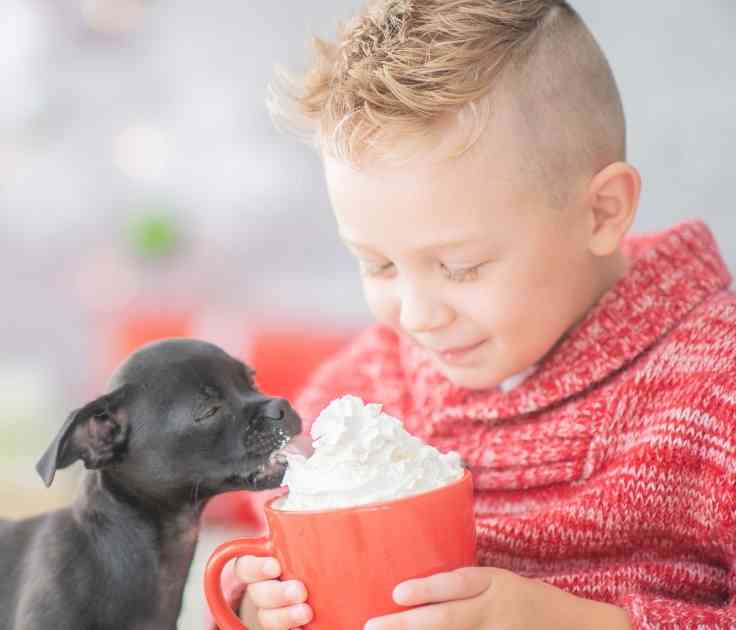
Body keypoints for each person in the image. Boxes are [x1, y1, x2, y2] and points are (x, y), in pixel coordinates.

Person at [219, 1, 736, 628]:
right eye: (378, 265)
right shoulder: (369, 388)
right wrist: (258, 603)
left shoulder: (715, 383)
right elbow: (270, 516)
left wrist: (586, 624)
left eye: (460, 268)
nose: (415, 316)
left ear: (600, 213)